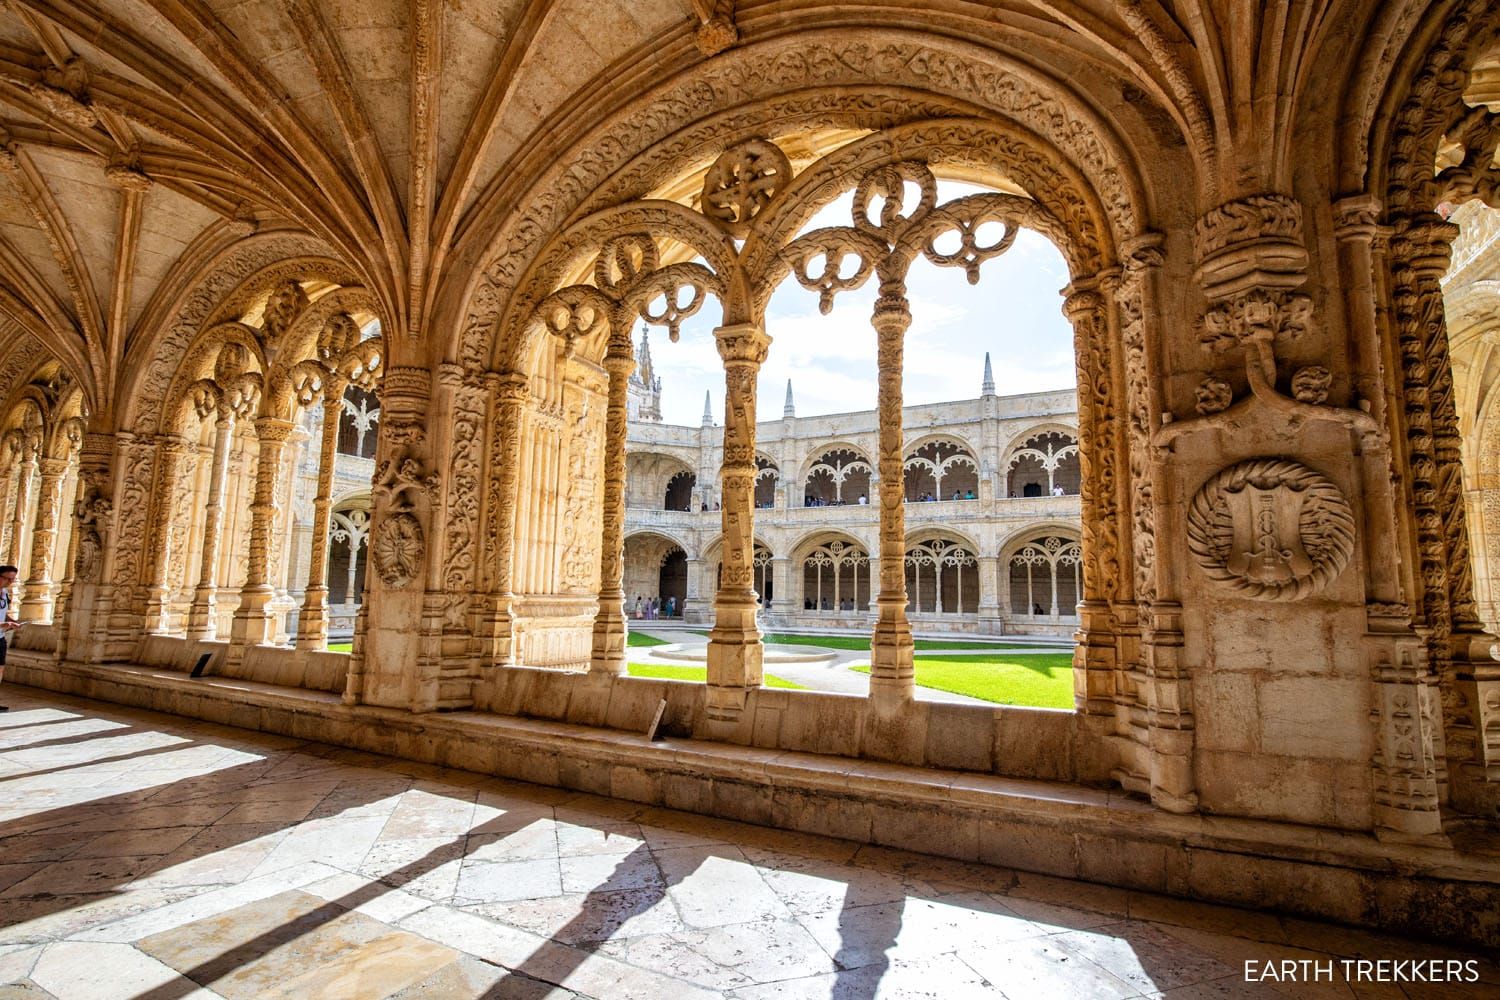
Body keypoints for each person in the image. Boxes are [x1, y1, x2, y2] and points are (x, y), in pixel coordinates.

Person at [0, 565, 18, 711]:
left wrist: (12, 621)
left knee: (0, 669)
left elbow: (3, 613)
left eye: (12, 579)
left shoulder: (5, 594)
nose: (9, 582)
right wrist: (4, 623)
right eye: (7, 578)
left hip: (0, 637)